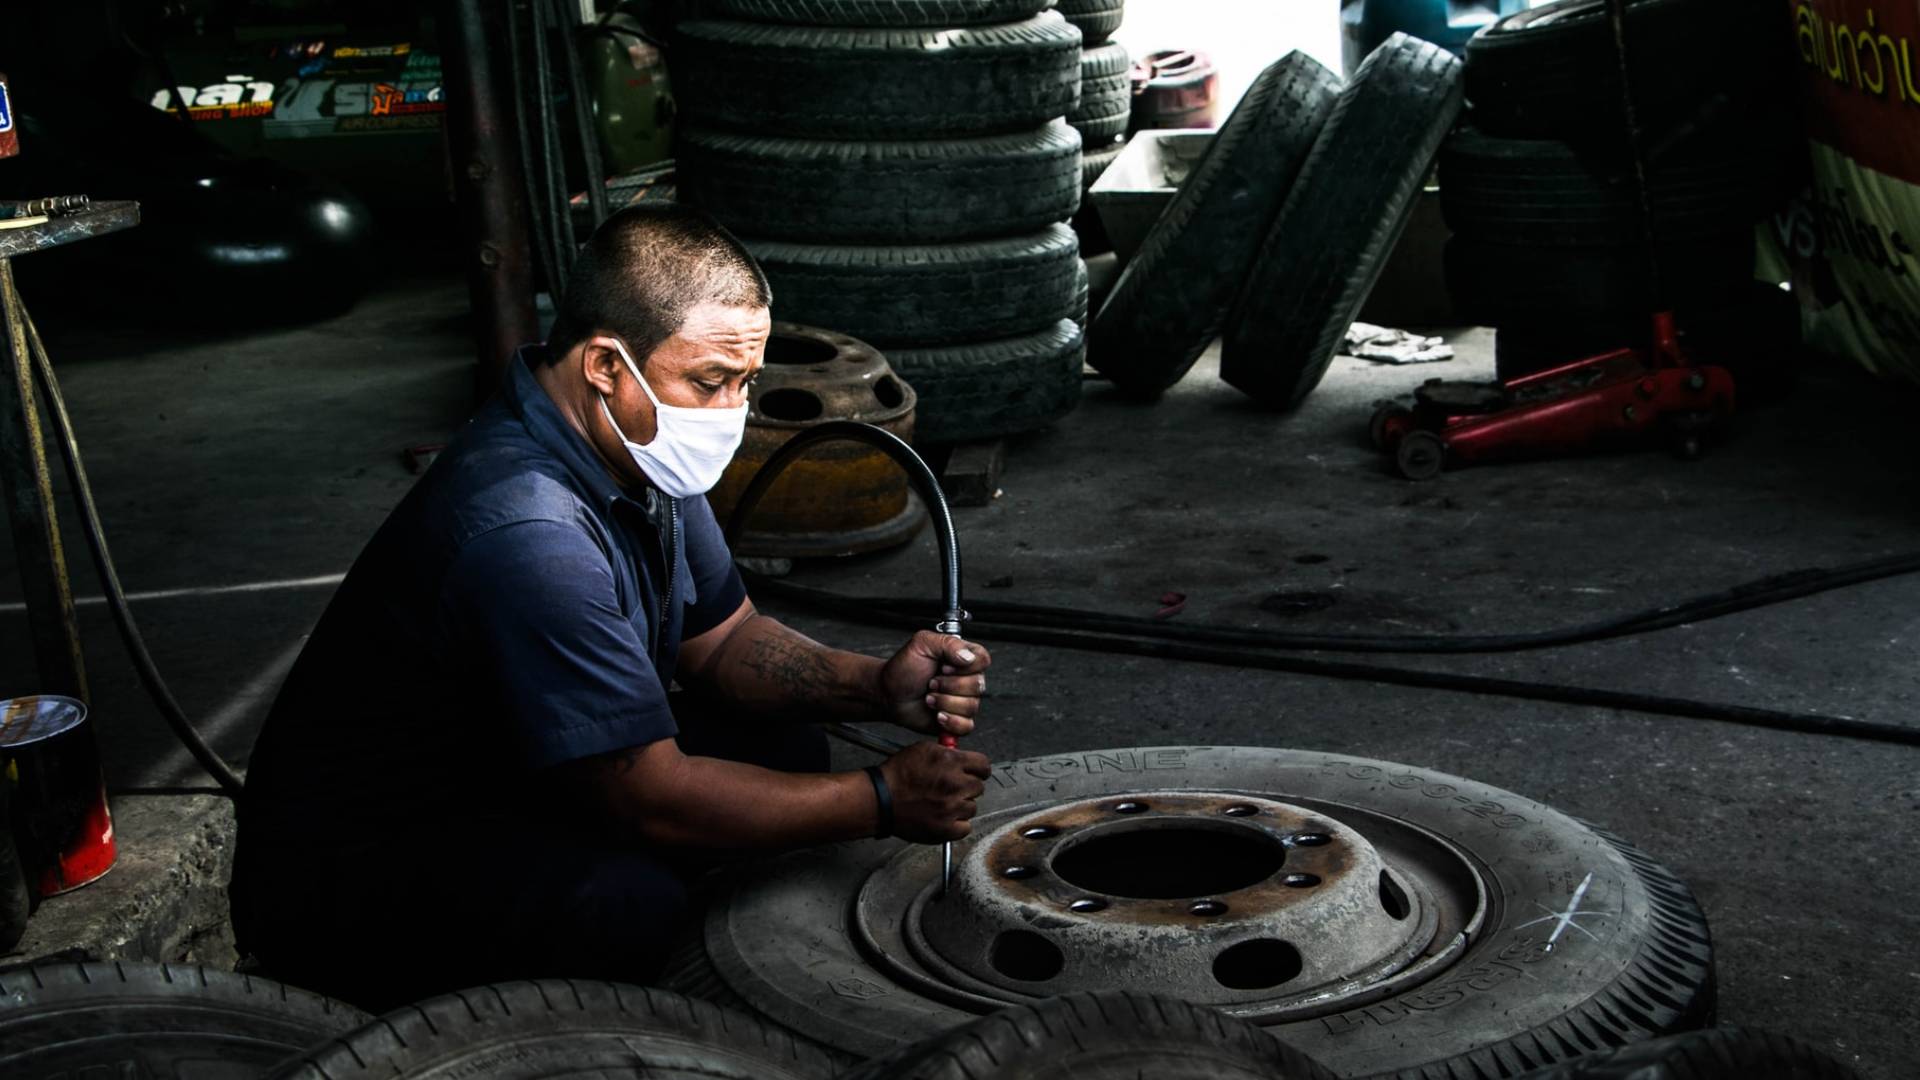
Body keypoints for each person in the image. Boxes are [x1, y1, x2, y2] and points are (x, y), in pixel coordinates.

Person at [230, 205, 992, 1009]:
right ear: (604, 365)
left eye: (744, 381)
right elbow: (652, 799)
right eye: (709, 381)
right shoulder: (529, 534)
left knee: (788, 745)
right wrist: (882, 799)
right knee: (626, 906)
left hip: (501, 775)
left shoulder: (637, 444)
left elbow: (724, 640)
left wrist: (876, 685)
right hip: (357, 880)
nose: (731, 412)